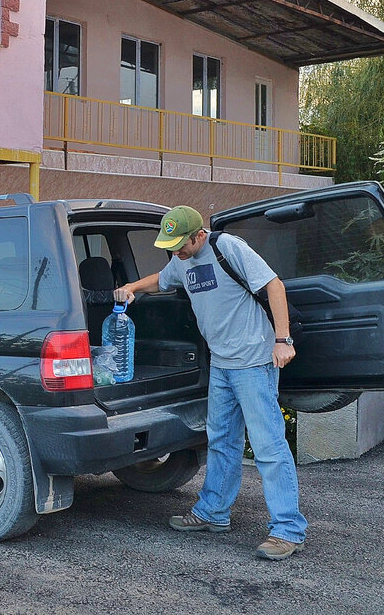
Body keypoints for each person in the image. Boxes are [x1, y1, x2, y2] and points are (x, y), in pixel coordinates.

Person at [113, 205, 306, 561]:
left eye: (179, 245)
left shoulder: (227, 247)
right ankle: (213, 512)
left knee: (268, 446)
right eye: (170, 246)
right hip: (221, 363)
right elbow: (162, 279)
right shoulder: (181, 260)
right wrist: (132, 287)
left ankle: (287, 530)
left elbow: (273, 285)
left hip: (252, 361)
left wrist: (283, 340)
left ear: (198, 235)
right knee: (221, 440)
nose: (175, 252)